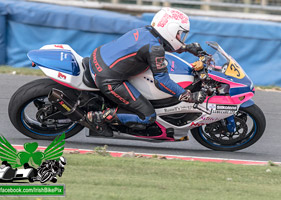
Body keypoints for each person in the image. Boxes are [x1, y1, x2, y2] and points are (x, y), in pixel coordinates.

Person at [88, 7, 207, 135]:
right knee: (148, 116)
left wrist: (186, 48)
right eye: (179, 33)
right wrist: (187, 96)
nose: (180, 37)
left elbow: (158, 46)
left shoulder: (147, 32)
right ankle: (100, 117)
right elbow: (162, 81)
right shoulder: (155, 48)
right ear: (170, 29)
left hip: (97, 57)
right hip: (108, 79)